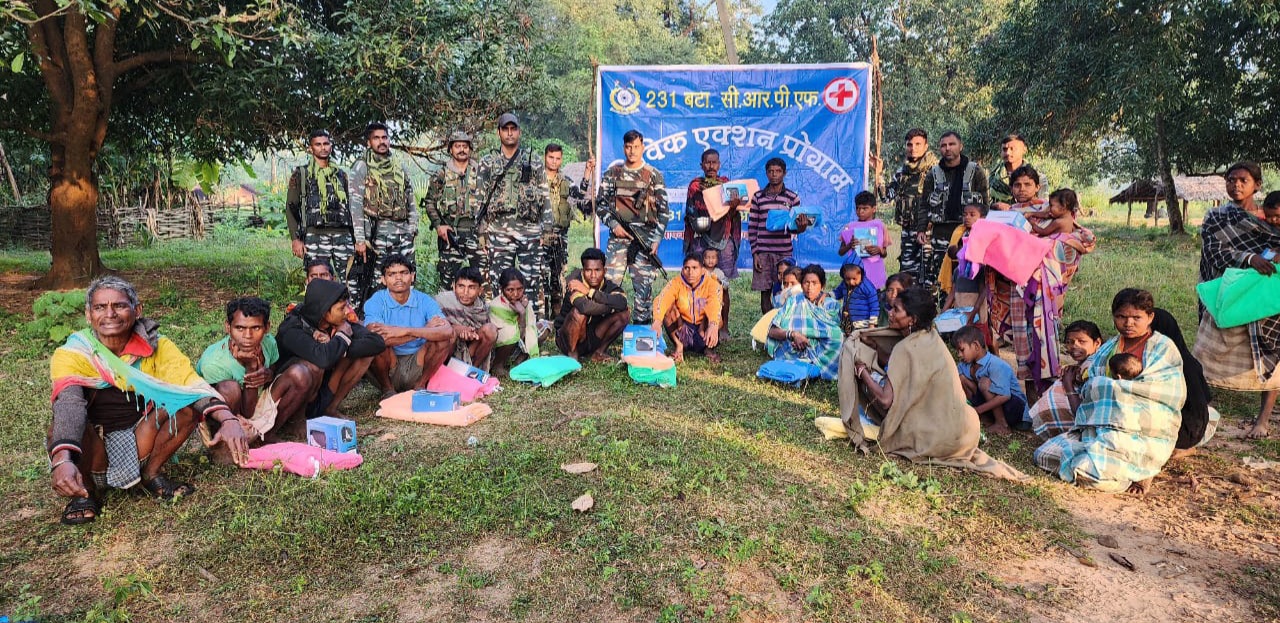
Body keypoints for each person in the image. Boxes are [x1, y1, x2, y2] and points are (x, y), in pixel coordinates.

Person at [47, 277, 247, 525]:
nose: (110, 314)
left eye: (119, 305)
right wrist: (62, 459)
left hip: (142, 436)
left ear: (137, 310)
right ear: (89, 315)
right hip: (94, 446)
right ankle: (85, 492)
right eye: (100, 307)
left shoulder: (157, 345)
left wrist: (228, 419)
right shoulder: (73, 353)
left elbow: (189, 383)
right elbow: (69, 405)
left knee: (185, 406)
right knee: (59, 426)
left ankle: (151, 473)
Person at [831, 287, 1027, 480]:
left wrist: (862, 371)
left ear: (912, 319)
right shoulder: (933, 338)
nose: (890, 313)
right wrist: (875, 347)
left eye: (896, 310)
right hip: (963, 432)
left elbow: (885, 400)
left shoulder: (904, 347)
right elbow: (902, 369)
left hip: (932, 438)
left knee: (874, 381)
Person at [1034, 289, 1187, 494]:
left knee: (1088, 471)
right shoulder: (1109, 347)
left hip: (1141, 429)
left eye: (1136, 318)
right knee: (1044, 455)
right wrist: (1094, 385)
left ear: (1150, 317)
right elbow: (1091, 386)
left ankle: (1139, 472)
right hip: (1101, 427)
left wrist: (1110, 388)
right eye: (1121, 317)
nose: (1128, 323)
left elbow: (1166, 393)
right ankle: (1117, 469)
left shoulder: (1163, 348)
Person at [1193, 161, 1280, 439]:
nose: (1236, 185)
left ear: (1257, 185)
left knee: (1271, 351)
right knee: (1206, 353)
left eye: (1243, 180)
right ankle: (1200, 409)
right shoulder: (1216, 216)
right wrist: (1249, 258)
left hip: (1264, 297)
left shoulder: (1271, 217)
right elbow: (1214, 251)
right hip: (1229, 293)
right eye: (1231, 180)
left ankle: (1263, 419)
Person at [197, 297, 316, 460]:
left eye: (256, 328)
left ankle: (267, 434)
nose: (248, 336)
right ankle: (227, 441)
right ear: (228, 327)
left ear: (267, 327)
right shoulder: (213, 363)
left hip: (257, 401)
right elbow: (245, 411)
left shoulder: (269, 342)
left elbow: (272, 372)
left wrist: (268, 374)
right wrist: (251, 367)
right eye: (240, 328)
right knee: (230, 388)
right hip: (230, 412)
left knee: (300, 374)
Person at [275, 278, 384, 419]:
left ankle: (330, 408)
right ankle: (297, 420)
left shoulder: (338, 322)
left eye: (346, 305)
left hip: (322, 393)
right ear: (324, 311)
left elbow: (377, 342)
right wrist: (340, 339)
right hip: (290, 401)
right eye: (341, 308)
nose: (347, 311)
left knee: (366, 355)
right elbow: (323, 359)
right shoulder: (292, 328)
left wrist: (338, 344)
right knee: (314, 365)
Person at [477, 113, 550, 314]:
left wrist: (546, 229)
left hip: (530, 230)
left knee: (532, 282)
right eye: (505, 129)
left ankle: (531, 325)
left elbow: (544, 195)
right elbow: (479, 199)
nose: (510, 133)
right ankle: (502, 325)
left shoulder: (533, 161)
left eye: (513, 129)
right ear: (499, 132)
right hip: (499, 230)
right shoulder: (488, 162)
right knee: (500, 282)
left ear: (519, 131)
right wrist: (482, 232)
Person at [596, 129, 670, 325]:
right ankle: (607, 328)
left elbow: (664, 212)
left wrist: (656, 240)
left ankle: (642, 329)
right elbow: (600, 205)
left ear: (643, 147)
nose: (632, 151)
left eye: (636, 147)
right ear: (624, 148)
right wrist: (613, 225)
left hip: (644, 240)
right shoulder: (613, 173)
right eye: (628, 147)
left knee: (643, 288)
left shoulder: (653, 175)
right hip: (619, 239)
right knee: (610, 285)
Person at [363, 254, 457, 396]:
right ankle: (387, 389)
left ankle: (420, 385)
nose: (398, 278)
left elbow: (447, 331)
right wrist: (424, 330)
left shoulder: (424, 300)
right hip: (388, 365)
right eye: (392, 274)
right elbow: (376, 338)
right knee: (375, 344)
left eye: (404, 273)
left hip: (418, 361)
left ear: (412, 276)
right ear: (383, 279)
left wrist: (403, 331)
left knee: (444, 340)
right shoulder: (376, 301)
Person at [286, 130, 356, 297]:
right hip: (315, 236)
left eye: (326, 144)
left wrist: (357, 238)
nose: (323, 148)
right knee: (317, 283)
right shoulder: (302, 174)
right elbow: (291, 207)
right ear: (311, 148)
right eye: (318, 144)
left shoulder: (341, 175)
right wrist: (295, 239)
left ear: (331, 146)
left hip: (343, 236)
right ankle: (318, 314)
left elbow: (352, 207)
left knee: (350, 282)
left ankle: (347, 313)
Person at [918, 132, 989, 289]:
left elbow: (985, 203)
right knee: (942, 276)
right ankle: (944, 303)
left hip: (968, 232)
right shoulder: (933, 174)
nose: (947, 148)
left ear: (960, 146)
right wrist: (921, 228)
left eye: (952, 144)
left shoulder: (975, 171)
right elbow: (924, 204)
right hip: (941, 232)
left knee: (968, 276)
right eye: (943, 145)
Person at [350, 122, 417, 284]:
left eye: (385, 137)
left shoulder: (398, 165)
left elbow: (410, 196)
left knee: (407, 279)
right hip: (377, 234)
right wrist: (360, 240)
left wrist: (412, 227)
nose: (382, 141)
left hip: (403, 233)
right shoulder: (362, 166)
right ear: (369, 142)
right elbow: (355, 205)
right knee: (380, 281)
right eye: (376, 138)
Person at [422, 131, 485, 291]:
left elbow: (490, 203)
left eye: (465, 146)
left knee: (482, 282)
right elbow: (429, 202)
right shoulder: (441, 174)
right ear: (450, 149)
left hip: (476, 234)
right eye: (457, 146)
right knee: (447, 283)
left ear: (470, 149)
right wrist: (438, 225)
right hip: (450, 234)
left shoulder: (481, 172)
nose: (462, 149)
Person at [749, 158, 811, 313]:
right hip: (763, 253)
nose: (774, 174)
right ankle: (768, 325)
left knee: (786, 291)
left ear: (784, 173)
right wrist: (755, 254)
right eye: (770, 171)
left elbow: (794, 229)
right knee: (765, 293)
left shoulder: (792, 198)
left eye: (778, 171)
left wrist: (801, 227)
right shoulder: (758, 197)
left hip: (784, 253)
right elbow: (753, 227)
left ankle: (784, 323)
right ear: (766, 173)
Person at [765, 264, 844, 380]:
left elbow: (833, 334)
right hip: (793, 349)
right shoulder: (792, 301)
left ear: (822, 286)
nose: (810, 287)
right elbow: (771, 331)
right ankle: (804, 367)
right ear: (801, 285)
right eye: (806, 282)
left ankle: (807, 367)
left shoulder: (831, 305)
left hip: (821, 351)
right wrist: (793, 335)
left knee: (838, 338)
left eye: (814, 283)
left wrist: (807, 340)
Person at [1029, 320, 1104, 439]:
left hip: (1086, 422)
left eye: (1081, 341)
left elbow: (1083, 411)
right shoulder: (1085, 365)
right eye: (1069, 342)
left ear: (1097, 343)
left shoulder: (1091, 369)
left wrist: (1068, 384)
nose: (1074, 346)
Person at [543, 144, 593, 317]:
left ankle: (557, 314)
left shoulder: (565, 180)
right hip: (540, 235)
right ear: (545, 157)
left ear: (562, 159)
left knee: (558, 274)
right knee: (541, 273)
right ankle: (542, 314)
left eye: (558, 158)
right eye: (551, 157)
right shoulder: (537, 180)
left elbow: (580, 195)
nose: (554, 161)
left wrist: (587, 172)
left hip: (560, 235)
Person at [952, 325, 1031, 434]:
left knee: (984, 383)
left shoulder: (995, 364)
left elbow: (1004, 396)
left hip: (1016, 411)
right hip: (995, 408)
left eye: (962, 350)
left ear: (976, 345)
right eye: (957, 351)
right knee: (961, 378)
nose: (959, 355)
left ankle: (1001, 424)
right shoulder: (964, 365)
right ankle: (986, 420)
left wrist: (977, 410)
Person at [556, 248, 630, 362]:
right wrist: (611, 308)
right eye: (588, 270)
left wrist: (590, 292)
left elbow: (622, 302)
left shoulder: (608, 285)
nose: (593, 275)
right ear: (583, 270)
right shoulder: (574, 284)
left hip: (592, 336)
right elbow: (586, 308)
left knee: (624, 314)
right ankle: (572, 356)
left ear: (604, 271)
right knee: (578, 313)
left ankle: (599, 352)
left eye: (597, 270)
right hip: (566, 338)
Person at [886, 129, 938, 280]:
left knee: (929, 274)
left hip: (930, 231)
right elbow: (887, 197)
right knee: (906, 276)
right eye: (909, 144)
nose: (913, 148)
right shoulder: (902, 172)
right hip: (908, 231)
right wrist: (878, 175)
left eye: (918, 144)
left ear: (926, 146)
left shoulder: (936, 171)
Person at [653, 253, 724, 363]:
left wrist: (713, 325)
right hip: (683, 331)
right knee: (668, 308)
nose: (690, 272)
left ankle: (708, 349)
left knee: (717, 317)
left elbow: (715, 304)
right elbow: (662, 299)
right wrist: (657, 321)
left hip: (704, 331)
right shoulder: (676, 283)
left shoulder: (712, 284)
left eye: (695, 268)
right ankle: (679, 347)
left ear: (702, 270)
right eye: (687, 268)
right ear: (682, 269)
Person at [684, 148, 742, 281]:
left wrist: (734, 206)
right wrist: (698, 223)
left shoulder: (727, 186)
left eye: (714, 162)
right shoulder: (695, 186)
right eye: (707, 163)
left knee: (724, 281)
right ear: (702, 165)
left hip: (724, 238)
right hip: (701, 237)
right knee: (697, 278)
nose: (711, 166)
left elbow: (733, 215)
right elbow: (690, 213)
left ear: (719, 165)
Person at [436, 266, 498, 371]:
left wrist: (471, 334)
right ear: (454, 286)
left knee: (491, 330)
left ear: (480, 290)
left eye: (471, 287)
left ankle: (473, 370)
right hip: (448, 349)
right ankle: (441, 370)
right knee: (450, 334)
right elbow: (433, 325)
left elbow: (483, 335)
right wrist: (456, 329)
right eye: (461, 286)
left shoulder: (482, 309)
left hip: (471, 349)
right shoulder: (442, 301)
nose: (465, 292)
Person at [491, 268, 542, 376]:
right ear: (502, 289)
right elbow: (512, 335)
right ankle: (498, 365)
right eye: (510, 290)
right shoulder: (496, 306)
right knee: (510, 332)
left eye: (520, 289)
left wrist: (523, 312)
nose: (515, 294)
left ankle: (519, 361)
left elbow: (529, 327)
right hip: (502, 348)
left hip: (519, 341)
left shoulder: (524, 302)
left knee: (544, 327)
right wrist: (521, 314)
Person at [838, 191, 889, 289]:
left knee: (874, 296)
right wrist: (849, 245)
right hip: (854, 274)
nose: (860, 211)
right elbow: (840, 252)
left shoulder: (880, 226)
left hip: (874, 272)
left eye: (865, 208)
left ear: (874, 209)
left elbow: (884, 253)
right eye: (858, 208)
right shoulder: (850, 227)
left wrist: (880, 250)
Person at [939, 203, 985, 313]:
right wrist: (943, 312)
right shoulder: (959, 232)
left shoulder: (984, 235)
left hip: (976, 309)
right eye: (965, 215)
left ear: (983, 218)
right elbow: (952, 293)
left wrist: (975, 310)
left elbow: (983, 291)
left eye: (972, 215)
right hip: (960, 306)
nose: (967, 217)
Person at [990, 134, 1047, 210]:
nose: (1008, 153)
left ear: (1024, 150)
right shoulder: (992, 177)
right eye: (1004, 149)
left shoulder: (1038, 177)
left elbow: (1044, 207)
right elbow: (982, 203)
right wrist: (994, 205)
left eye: (1012, 149)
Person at [832, 263, 878, 334]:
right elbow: (838, 293)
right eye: (847, 279)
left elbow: (874, 306)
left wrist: (872, 324)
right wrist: (827, 295)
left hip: (863, 325)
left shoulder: (867, 287)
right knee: (848, 339)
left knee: (861, 339)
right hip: (847, 323)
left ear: (861, 274)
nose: (851, 282)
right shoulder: (844, 284)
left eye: (854, 279)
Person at [701, 247, 731, 338]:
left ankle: (718, 329)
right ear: (703, 260)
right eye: (708, 258)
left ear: (717, 260)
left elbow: (726, 285)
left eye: (713, 258)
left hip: (716, 300)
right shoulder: (701, 271)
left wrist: (719, 281)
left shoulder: (719, 273)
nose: (710, 260)